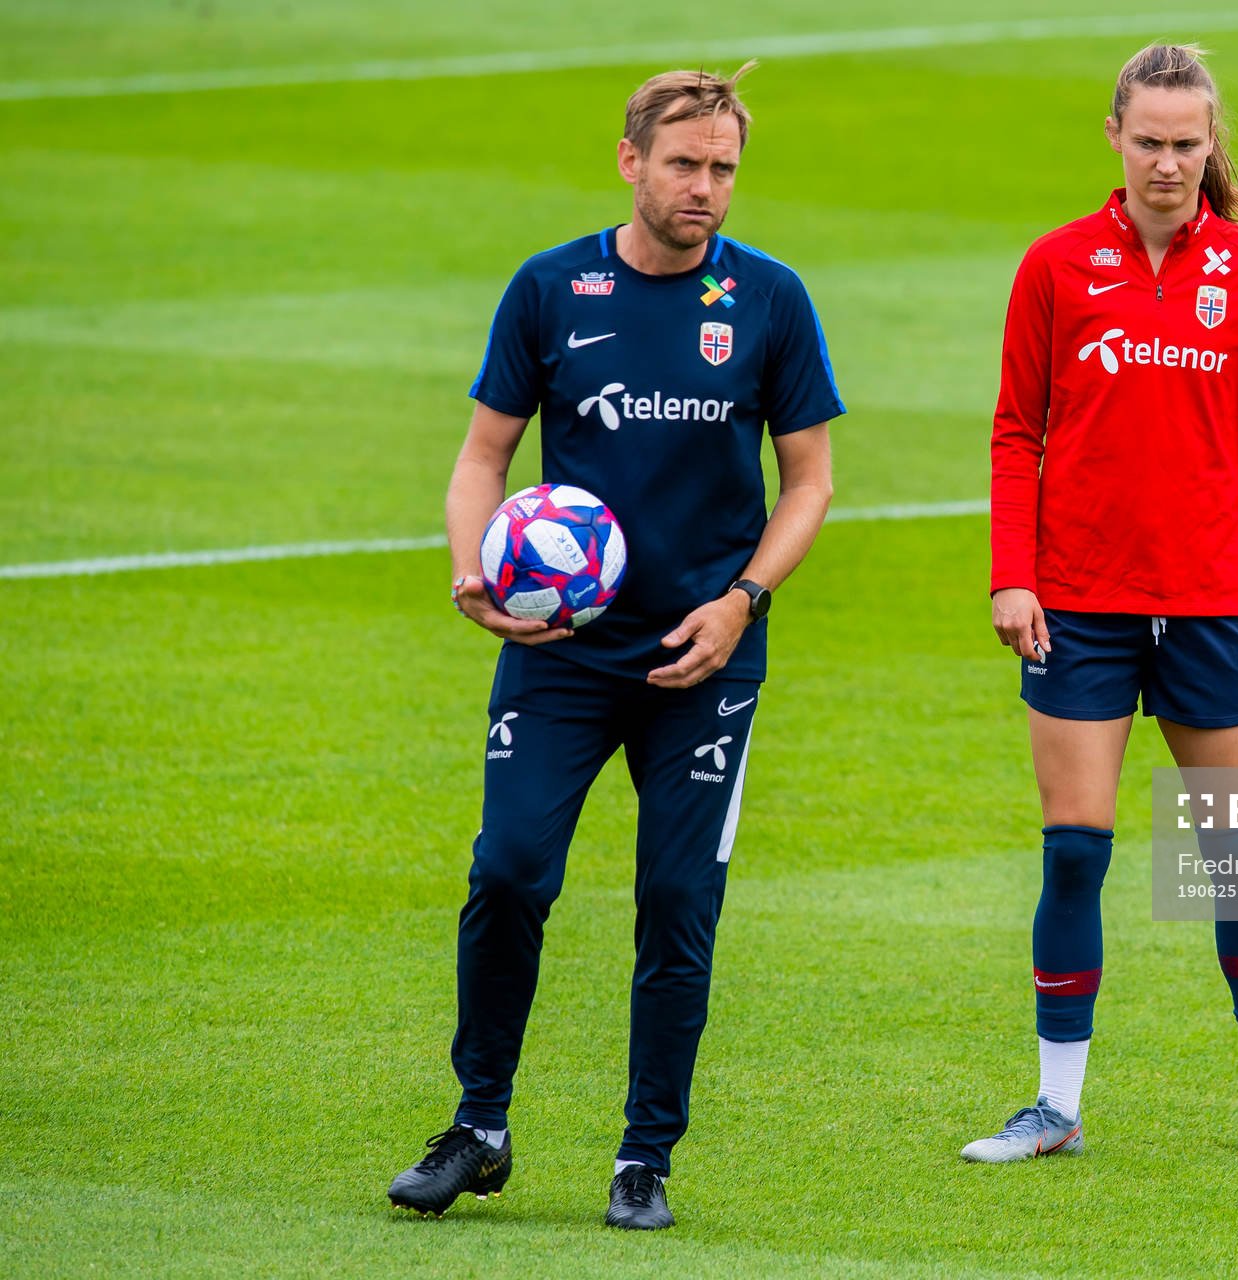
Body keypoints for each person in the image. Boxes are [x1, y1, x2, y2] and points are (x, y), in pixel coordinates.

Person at [386, 63, 842, 1229]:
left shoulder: (772, 302)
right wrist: (471, 568)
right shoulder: (550, 289)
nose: (706, 188)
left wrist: (742, 598)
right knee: (508, 869)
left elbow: (810, 483)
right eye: (685, 164)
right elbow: (484, 455)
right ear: (631, 161)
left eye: (724, 168)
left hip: (707, 657)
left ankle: (646, 1158)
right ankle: (478, 1123)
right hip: (564, 651)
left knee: (678, 899)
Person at [964, 43, 1238, 1163]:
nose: (1170, 163)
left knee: (1237, 857)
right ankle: (1054, 1105)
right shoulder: (1054, 266)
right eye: (1151, 142)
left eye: (1188, 144)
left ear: (1210, 144)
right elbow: (1014, 432)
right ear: (1115, 137)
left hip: (1209, 602)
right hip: (1075, 604)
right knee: (1075, 851)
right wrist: (1012, 570)